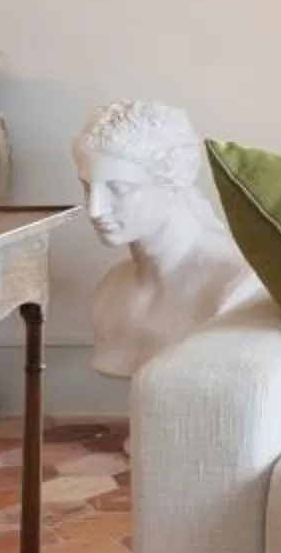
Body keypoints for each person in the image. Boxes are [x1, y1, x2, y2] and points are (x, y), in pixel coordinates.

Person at [71, 100, 265, 376]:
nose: (95, 209)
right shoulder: (111, 291)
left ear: (172, 182)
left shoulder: (234, 284)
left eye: (119, 189)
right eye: (88, 188)